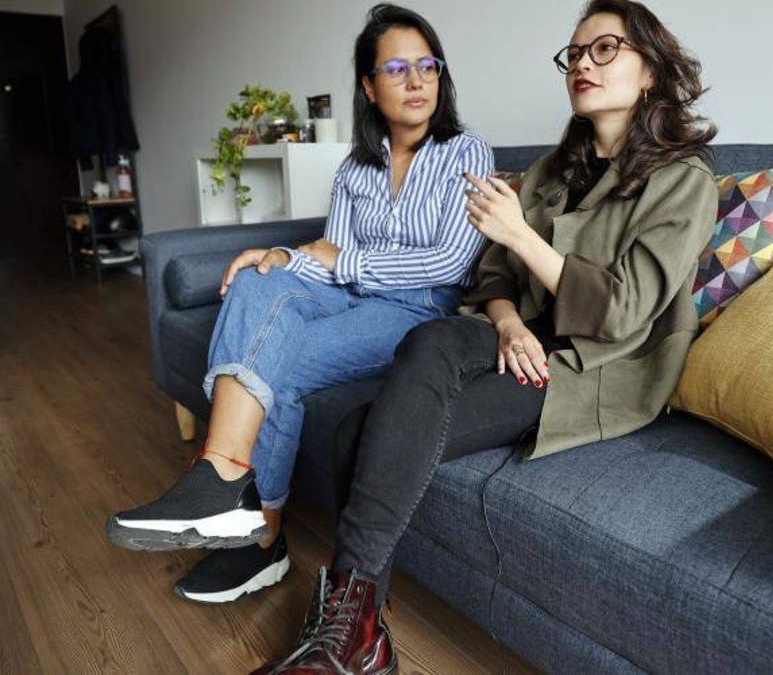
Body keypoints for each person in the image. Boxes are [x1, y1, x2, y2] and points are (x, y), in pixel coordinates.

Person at [255, 0, 720, 672]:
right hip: (520, 335)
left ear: (650, 70)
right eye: (574, 54)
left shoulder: (684, 179)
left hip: (592, 362)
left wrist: (522, 236)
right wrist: (506, 323)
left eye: (604, 49)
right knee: (431, 340)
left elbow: (622, 310)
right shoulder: (556, 169)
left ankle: (350, 636)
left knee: (356, 431)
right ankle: (357, 638)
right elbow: (493, 274)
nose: (583, 65)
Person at [106, 3, 494, 607]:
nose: (416, 81)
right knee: (257, 280)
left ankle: (260, 539)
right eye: (396, 69)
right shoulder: (356, 167)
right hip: (348, 295)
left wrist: (342, 262)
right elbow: (326, 254)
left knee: (278, 364)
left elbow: (449, 264)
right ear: (370, 86)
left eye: (428, 66)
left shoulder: (466, 153)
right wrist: (282, 256)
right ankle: (222, 481)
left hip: (417, 309)